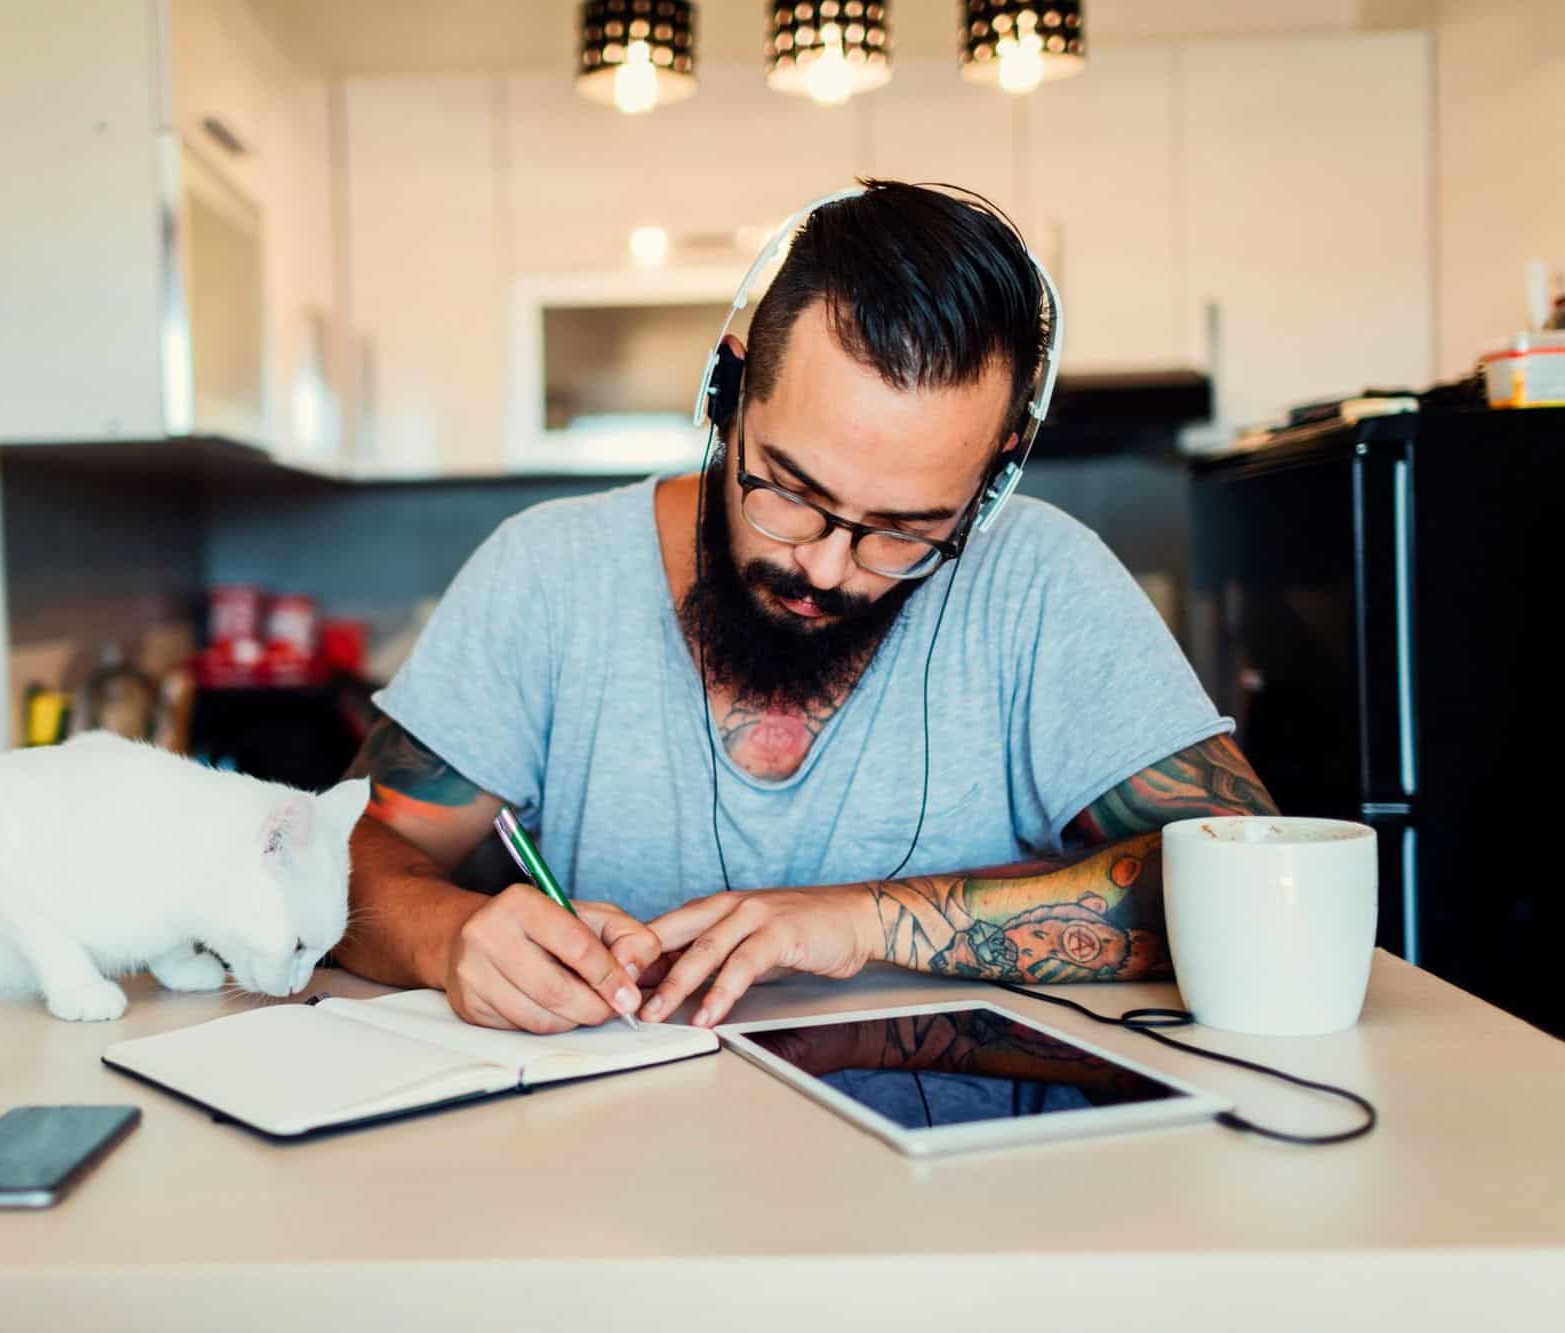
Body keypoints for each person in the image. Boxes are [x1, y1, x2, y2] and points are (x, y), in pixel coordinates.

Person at [333, 180, 1276, 1034]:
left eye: (906, 530)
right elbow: (346, 855)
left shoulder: (1043, 583)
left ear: (990, 481)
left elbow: (1242, 876)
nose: (827, 567)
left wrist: (859, 918)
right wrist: (450, 936)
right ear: (727, 390)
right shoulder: (545, 574)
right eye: (789, 490)